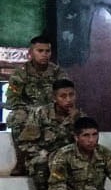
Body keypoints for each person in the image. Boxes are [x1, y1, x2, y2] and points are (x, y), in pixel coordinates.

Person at [18, 79, 81, 190]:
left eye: (71, 95)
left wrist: (74, 122)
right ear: (54, 98)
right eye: (63, 96)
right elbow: (25, 142)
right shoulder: (40, 114)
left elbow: (86, 143)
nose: (68, 100)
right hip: (44, 155)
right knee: (41, 163)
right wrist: (41, 153)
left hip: (67, 158)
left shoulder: (79, 116)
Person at [3, 35, 68, 176]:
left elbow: (66, 96)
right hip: (29, 112)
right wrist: (33, 111)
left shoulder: (58, 73)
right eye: (40, 51)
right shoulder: (20, 73)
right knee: (17, 117)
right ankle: (21, 162)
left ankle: (63, 162)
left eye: (47, 51)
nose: (45, 54)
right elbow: (12, 100)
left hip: (52, 111)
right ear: (30, 53)